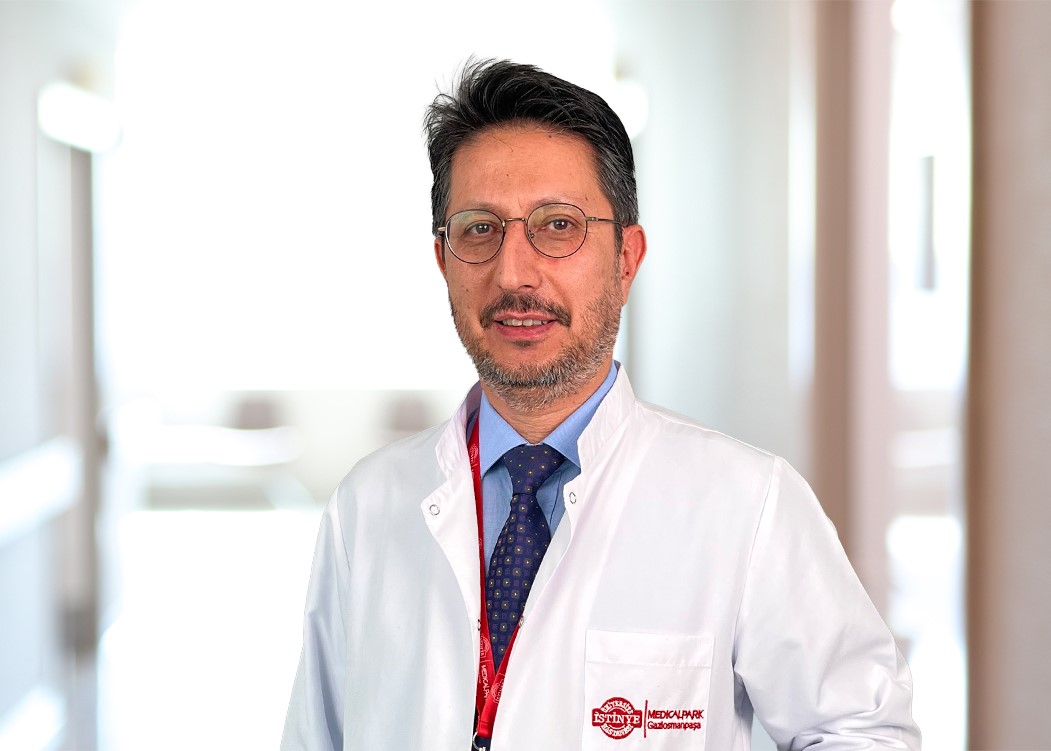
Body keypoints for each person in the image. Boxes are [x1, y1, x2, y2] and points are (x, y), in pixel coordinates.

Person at [281, 59, 920, 750]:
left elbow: (863, 733)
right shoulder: (368, 507)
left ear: (626, 257)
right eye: (479, 229)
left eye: (557, 225)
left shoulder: (747, 503)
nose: (513, 273)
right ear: (443, 260)